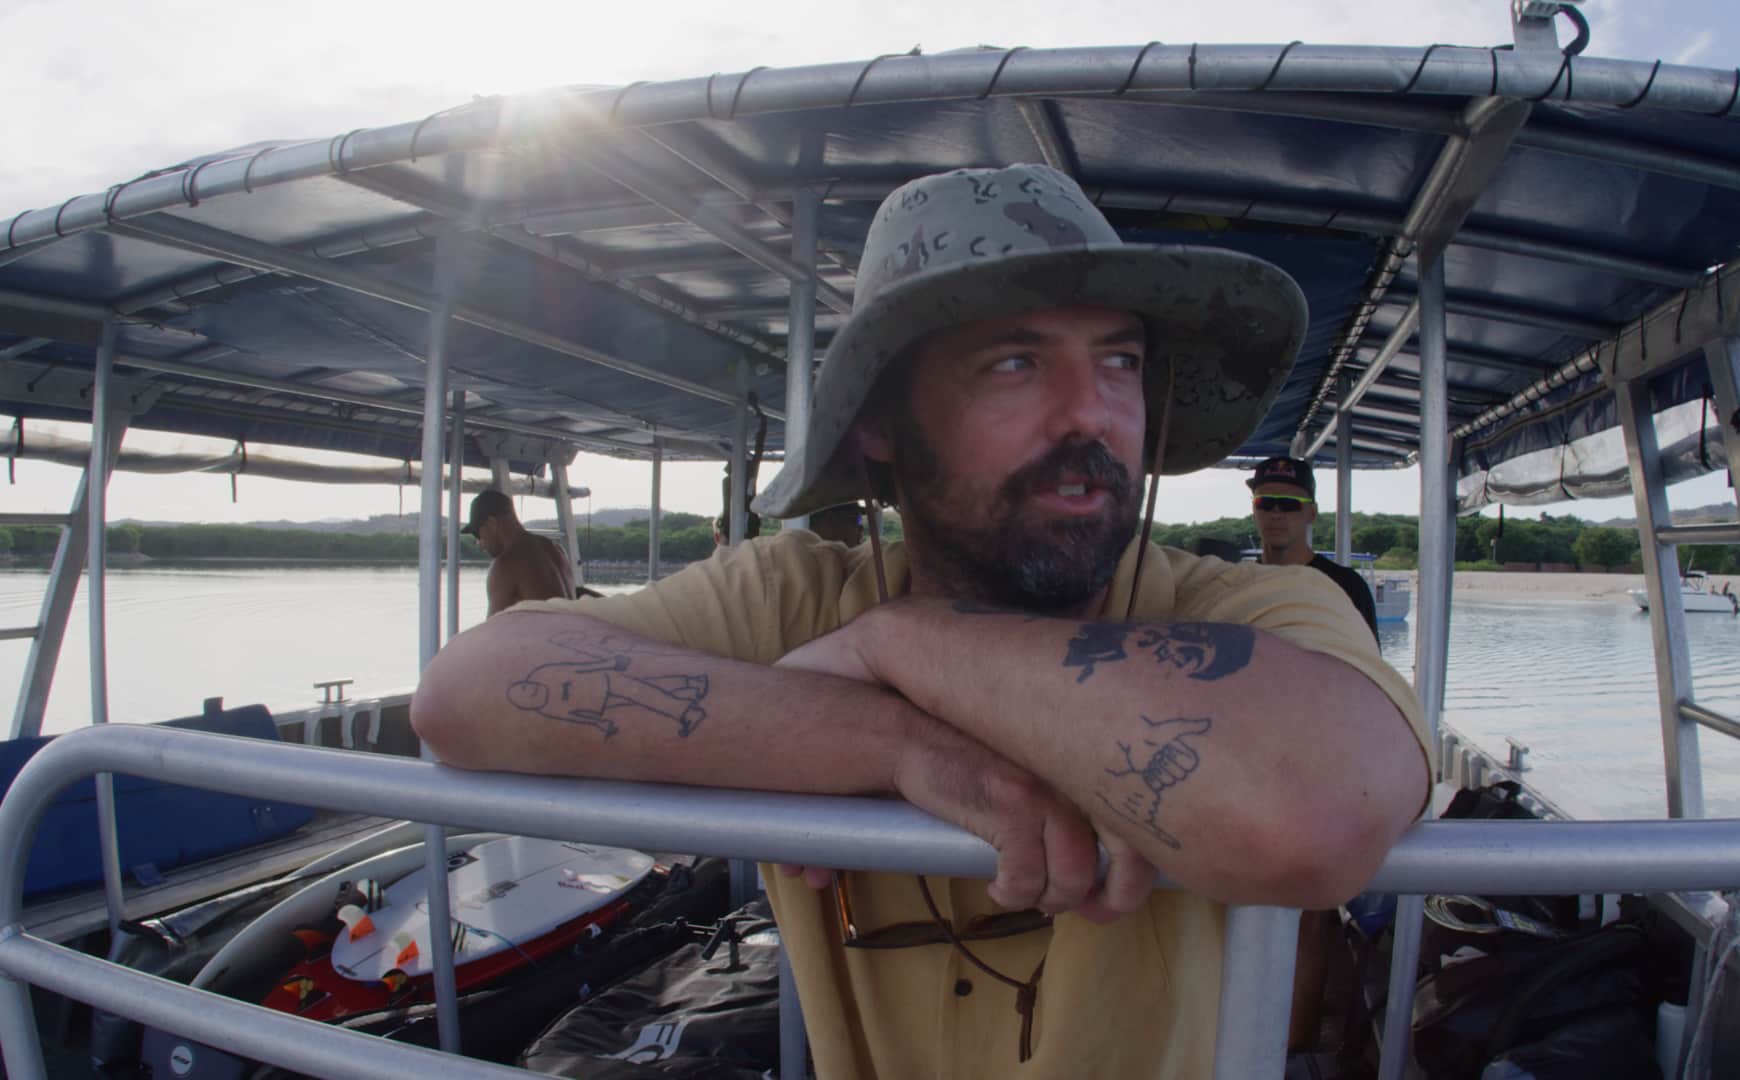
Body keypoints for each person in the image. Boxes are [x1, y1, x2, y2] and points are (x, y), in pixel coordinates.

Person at [414, 163, 1428, 1078]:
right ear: (882, 424)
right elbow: (465, 692)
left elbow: (1318, 813)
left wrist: (901, 643)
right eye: (1014, 363)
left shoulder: (1233, 607)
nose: (1091, 413)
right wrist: (894, 742)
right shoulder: (798, 598)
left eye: (1119, 361)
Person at [1248, 456, 1379, 641]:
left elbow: (1368, 664)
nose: (1276, 514)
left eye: (1289, 503)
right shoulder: (1242, 584)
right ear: (1254, 510)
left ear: (1312, 513)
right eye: (1265, 503)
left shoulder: (1347, 586)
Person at [461, 488, 578, 617]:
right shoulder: (557, 550)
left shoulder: (505, 566)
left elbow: (493, 632)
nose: (480, 544)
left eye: (477, 534)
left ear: (491, 523)